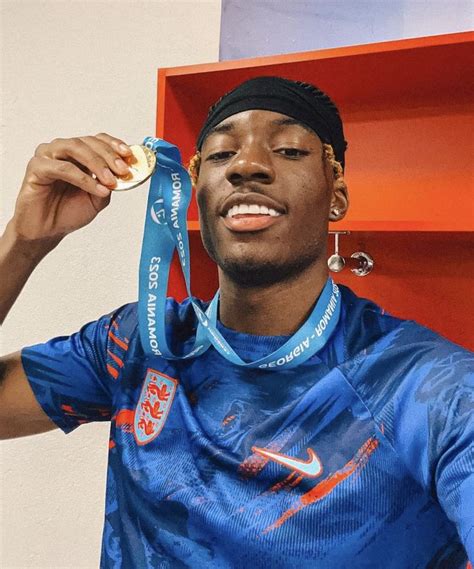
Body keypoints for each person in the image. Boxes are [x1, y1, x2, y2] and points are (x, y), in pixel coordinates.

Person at [0, 76, 472, 568]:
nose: (247, 166)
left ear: (337, 194)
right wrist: (24, 240)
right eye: (222, 155)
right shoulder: (138, 344)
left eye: (289, 150)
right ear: (195, 191)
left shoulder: (428, 388)